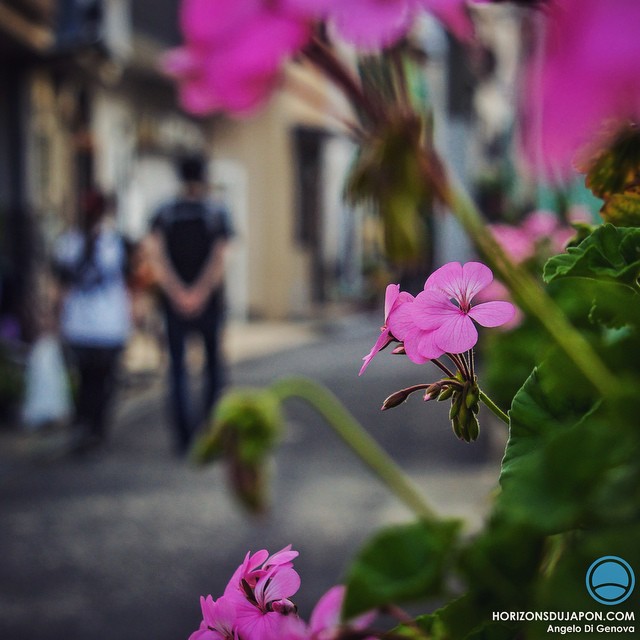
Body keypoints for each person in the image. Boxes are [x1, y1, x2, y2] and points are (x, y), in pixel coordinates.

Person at [147, 155, 233, 454]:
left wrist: (177, 292)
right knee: (213, 367)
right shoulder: (217, 211)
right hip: (209, 303)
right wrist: (200, 292)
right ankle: (210, 430)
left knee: (178, 369)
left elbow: (156, 255)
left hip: (175, 304)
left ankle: (184, 438)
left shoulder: (164, 212)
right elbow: (220, 257)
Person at [52, 189, 131, 454]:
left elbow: (60, 287)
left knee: (86, 379)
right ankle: (94, 427)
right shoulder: (114, 243)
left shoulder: (68, 243)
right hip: (108, 325)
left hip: (79, 324)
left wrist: (55, 319)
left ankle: (85, 424)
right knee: (103, 379)